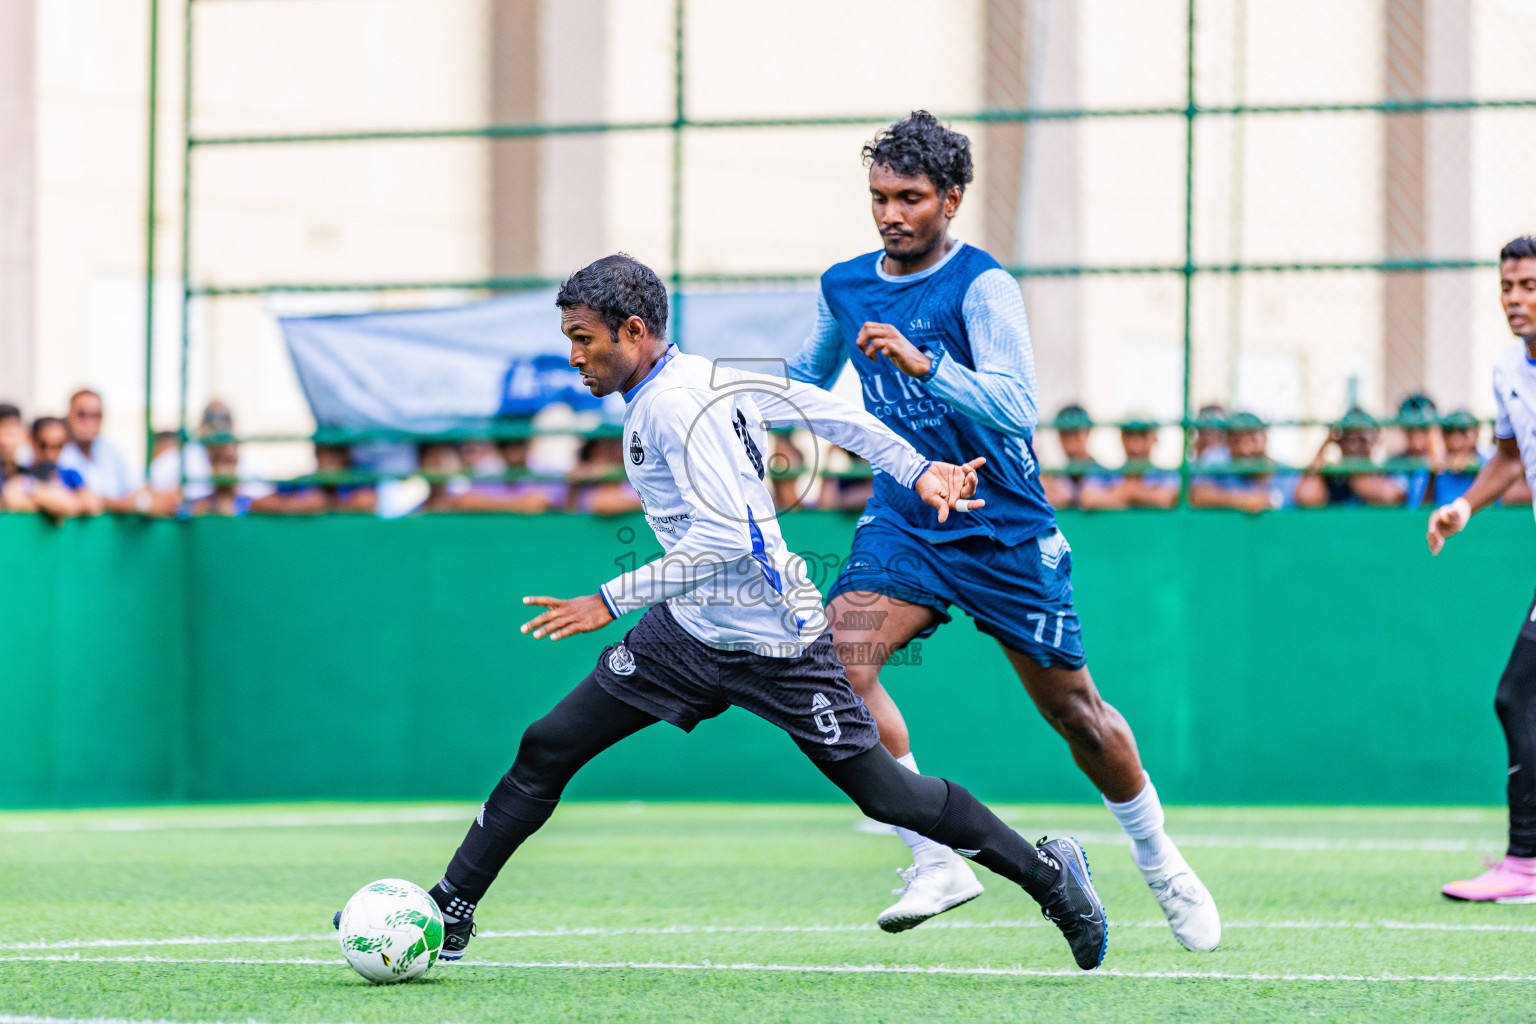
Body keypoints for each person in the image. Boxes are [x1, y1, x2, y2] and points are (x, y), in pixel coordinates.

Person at [409, 254, 1109, 971]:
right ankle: (451, 906)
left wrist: (608, 600)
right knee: (548, 745)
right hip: (687, 635)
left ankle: (1054, 879)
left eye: (585, 338)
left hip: (776, 644)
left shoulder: (678, 403)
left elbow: (725, 535)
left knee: (888, 796)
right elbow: (832, 411)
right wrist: (919, 468)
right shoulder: (703, 377)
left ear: (634, 329)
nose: (574, 355)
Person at [784, 112, 1217, 949]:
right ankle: (935, 859)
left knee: (1079, 716)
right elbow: (805, 378)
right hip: (906, 517)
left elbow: (1019, 408)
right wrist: (745, 410)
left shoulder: (984, 287)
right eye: (879, 198)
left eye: (909, 198)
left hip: (1005, 530)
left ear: (952, 198)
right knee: (838, 663)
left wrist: (926, 364)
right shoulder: (846, 284)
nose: (890, 215)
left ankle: (1158, 859)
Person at [1427, 235, 1536, 903]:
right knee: (1520, 696)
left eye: (1528, 285)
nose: (1515, 299)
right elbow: (1509, 454)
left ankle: (1526, 860)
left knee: (1518, 694)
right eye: (1507, 287)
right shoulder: (1508, 370)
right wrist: (1463, 505)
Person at [1293, 408, 1407, 507]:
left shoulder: (1383, 472)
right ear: (1339, 441)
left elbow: (1393, 497)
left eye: (1361, 440)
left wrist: (1355, 475)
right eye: (1348, 439)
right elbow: (1305, 496)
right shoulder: (1332, 476)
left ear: (1374, 441)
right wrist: (1326, 444)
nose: (1354, 447)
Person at [58, 389, 147, 513]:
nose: (89, 422)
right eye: (82, 414)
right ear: (69, 416)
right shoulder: (54, 449)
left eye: (96, 415)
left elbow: (140, 491)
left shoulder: (114, 449)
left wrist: (104, 502)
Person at [1189, 412, 1291, 513]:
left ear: (1265, 439)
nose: (1244, 449)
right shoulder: (1218, 464)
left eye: (1253, 440)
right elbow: (1196, 494)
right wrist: (1244, 500)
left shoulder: (1286, 473)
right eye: (1235, 441)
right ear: (1227, 444)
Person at [1079, 418, 1180, 511]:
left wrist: (1125, 494)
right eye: (1129, 435)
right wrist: (1143, 497)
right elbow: (1089, 498)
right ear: (1122, 438)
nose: (1135, 446)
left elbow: (1167, 499)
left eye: (1143, 436)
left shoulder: (1167, 474)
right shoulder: (1105, 474)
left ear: (1154, 439)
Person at [252, 443, 376, 515]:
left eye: (335, 452)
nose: (328, 460)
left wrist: (328, 505)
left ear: (346, 455)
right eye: (323, 452)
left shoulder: (358, 480)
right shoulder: (302, 483)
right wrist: (298, 505)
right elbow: (254, 503)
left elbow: (367, 500)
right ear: (316, 453)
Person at [26, 416, 100, 519]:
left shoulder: (70, 475)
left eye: (58, 446)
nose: (50, 454)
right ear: (31, 440)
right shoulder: (20, 473)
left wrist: (37, 495)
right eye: (43, 445)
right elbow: (14, 498)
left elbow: (92, 505)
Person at [1040, 404, 1108, 511]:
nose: (1070, 440)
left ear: (1088, 432)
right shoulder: (1053, 477)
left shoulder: (1107, 476)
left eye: (1075, 433)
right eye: (1065, 433)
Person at [1384, 393, 1440, 507]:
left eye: (1423, 427)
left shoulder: (1446, 460)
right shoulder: (1394, 463)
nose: (1417, 432)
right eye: (1411, 427)